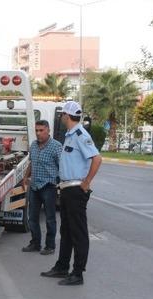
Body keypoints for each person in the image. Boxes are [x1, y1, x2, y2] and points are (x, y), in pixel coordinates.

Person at [40, 101, 102, 286]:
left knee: (78, 233)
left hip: (76, 189)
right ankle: (62, 267)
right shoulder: (69, 135)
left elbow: (97, 159)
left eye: (62, 115)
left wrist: (86, 182)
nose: (61, 118)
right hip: (66, 188)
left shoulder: (81, 135)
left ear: (66, 116)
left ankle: (77, 273)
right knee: (66, 231)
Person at [22, 119, 62, 255]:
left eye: (41, 130)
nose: (38, 133)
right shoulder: (33, 145)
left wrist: (61, 184)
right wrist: (25, 177)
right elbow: (32, 163)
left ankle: (50, 246)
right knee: (32, 217)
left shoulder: (56, 146)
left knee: (50, 218)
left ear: (48, 130)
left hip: (49, 187)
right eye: (37, 131)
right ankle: (35, 243)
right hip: (34, 186)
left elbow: (61, 167)